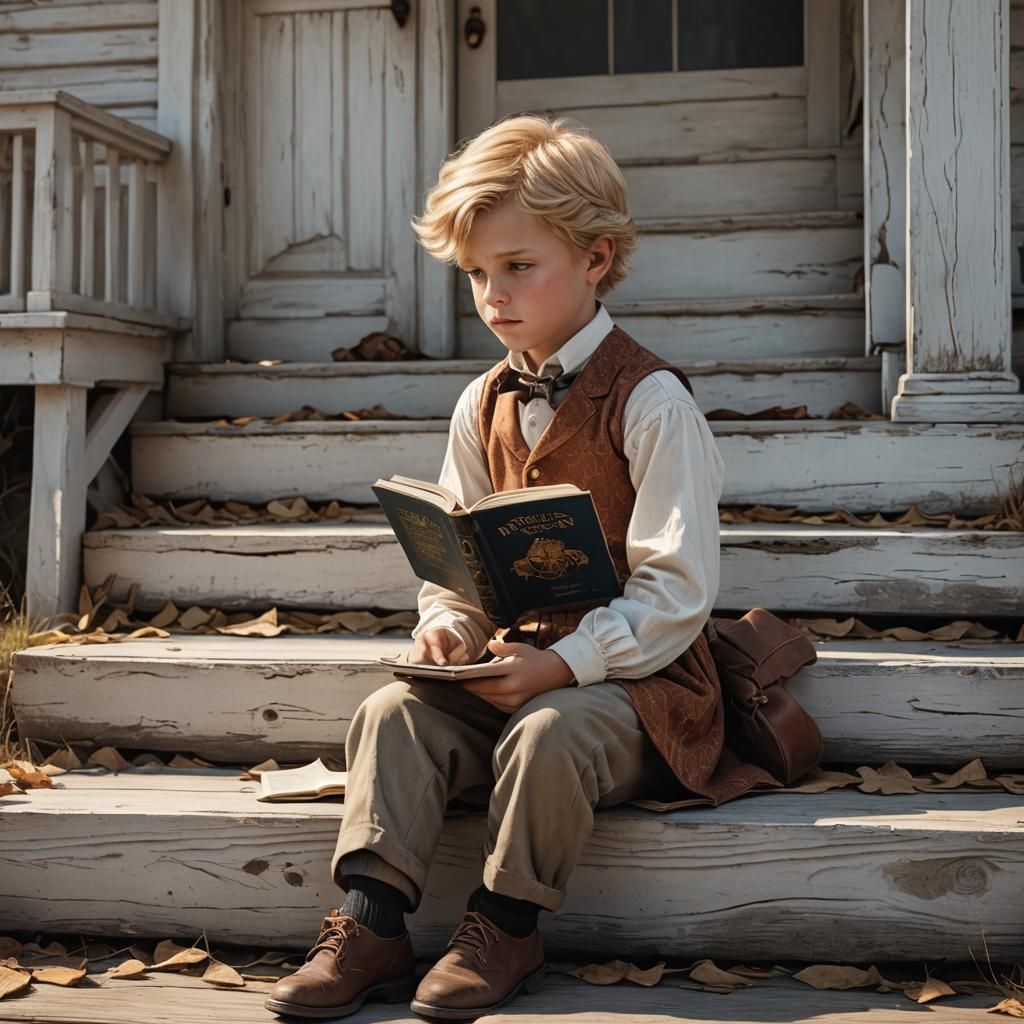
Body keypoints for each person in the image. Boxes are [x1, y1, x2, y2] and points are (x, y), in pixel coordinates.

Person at [265, 113, 775, 1022]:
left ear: (596, 257)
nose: (492, 294)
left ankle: (505, 923)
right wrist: (451, 625)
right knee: (392, 713)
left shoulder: (652, 401)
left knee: (547, 735)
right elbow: (459, 560)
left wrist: (565, 666)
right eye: (474, 274)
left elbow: (678, 592)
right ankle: (371, 922)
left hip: (637, 690)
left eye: (517, 266)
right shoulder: (482, 400)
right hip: (513, 664)